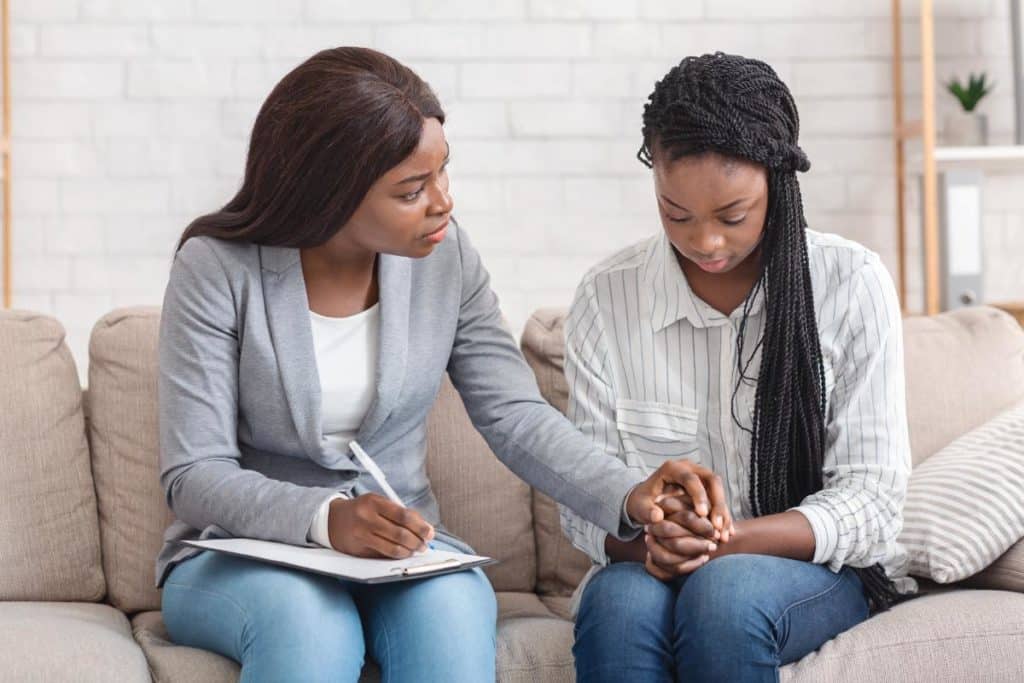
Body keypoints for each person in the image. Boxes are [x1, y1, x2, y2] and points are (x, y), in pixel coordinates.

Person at [155, 47, 716, 683]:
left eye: (442, 174)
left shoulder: (445, 261)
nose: (442, 203)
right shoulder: (217, 269)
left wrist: (628, 492)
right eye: (411, 191)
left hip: (405, 555)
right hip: (246, 554)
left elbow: (514, 413)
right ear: (329, 192)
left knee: (450, 618)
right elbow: (193, 472)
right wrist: (324, 520)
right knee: (309, 629)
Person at [561, 53, 915, 683]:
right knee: (617, 604)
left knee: (725, 596)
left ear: (779, 182)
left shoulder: (849, 284)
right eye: (677, 214)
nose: (706, 243)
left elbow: (873, 501)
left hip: (810, 575)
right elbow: (582, 498)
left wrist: (727, 540)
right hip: (647, 561)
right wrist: (648, 540)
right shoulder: (605, 298)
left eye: (732, 215)